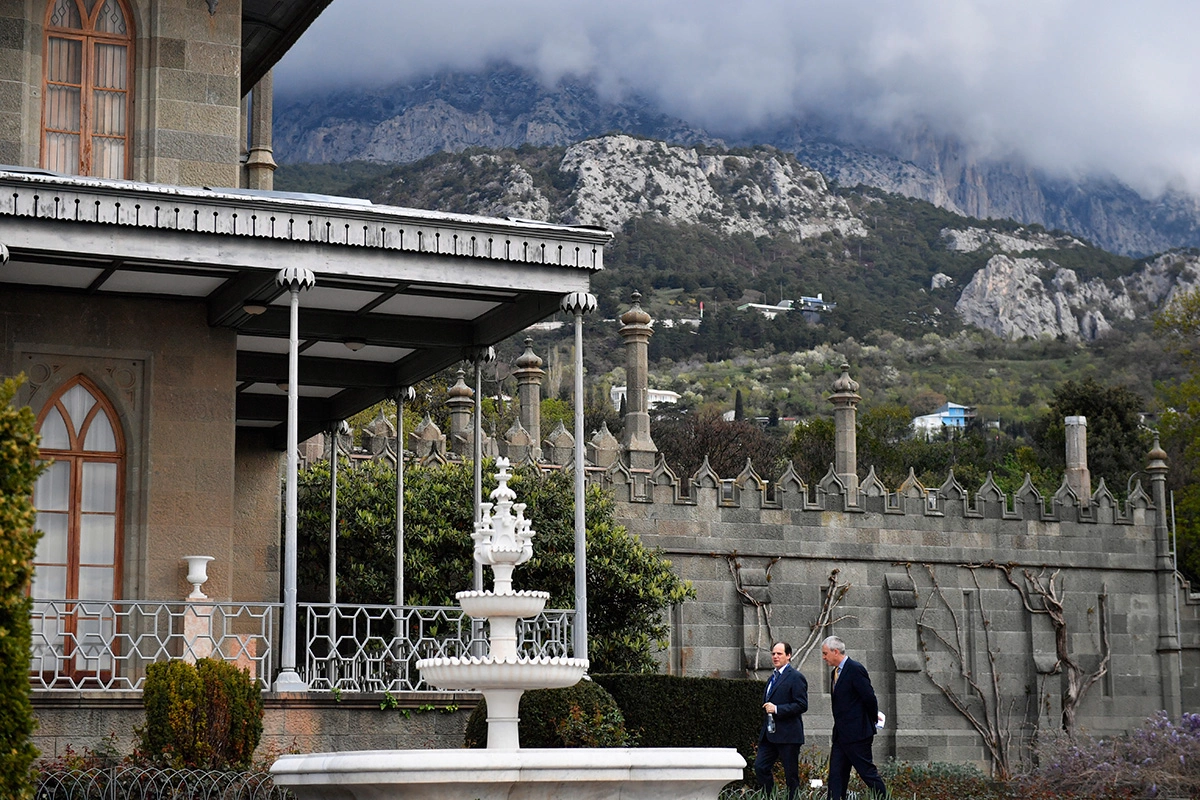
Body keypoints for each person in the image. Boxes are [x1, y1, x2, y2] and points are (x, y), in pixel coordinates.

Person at [821, 635, 888, 800]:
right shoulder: (834, 673)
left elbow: (869, 697)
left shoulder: (855, 669)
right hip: (840, 736)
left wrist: (873, 718)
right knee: (836, 776)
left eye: (825, 653)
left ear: (835, 651)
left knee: (867, 774)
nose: (823, 658)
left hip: (858, 735)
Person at [755, 641, 809, 800]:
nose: (775, 657)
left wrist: (777, 709)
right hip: (770, 734)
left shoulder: (796, 677)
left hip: (788, 735)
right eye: (773, 654)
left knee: (791, 777)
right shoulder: (772, 678)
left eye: (779, 654)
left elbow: (801, 705)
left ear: (788, 656)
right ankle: (769, 796)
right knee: (760, 767)